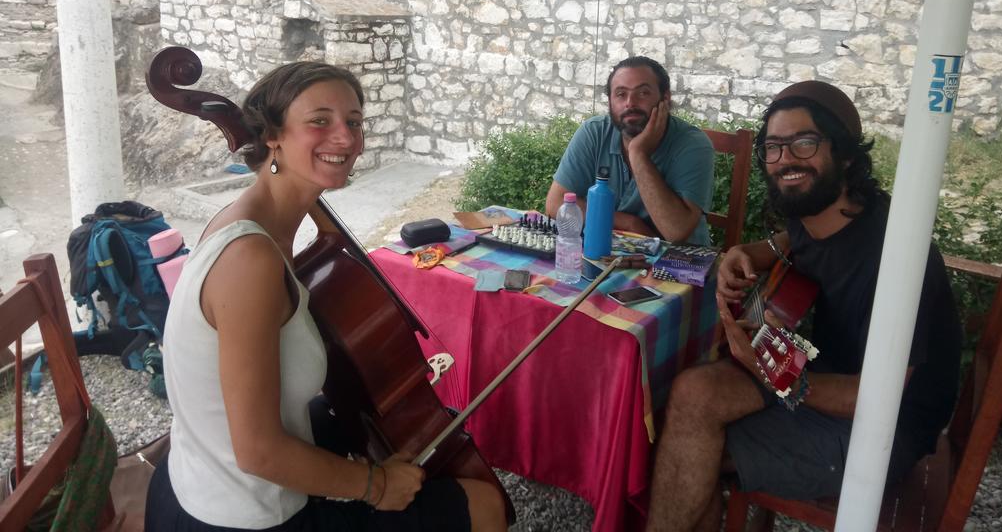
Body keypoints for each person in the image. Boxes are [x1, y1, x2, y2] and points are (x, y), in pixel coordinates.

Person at [145, 61, 506, 532]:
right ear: (273, 135)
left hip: (196, 481)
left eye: (353, 122)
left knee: (397, 433)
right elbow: (258, 450)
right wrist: (376, 484)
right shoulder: (250, 261)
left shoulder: (248, 222)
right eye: (320, 120)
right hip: (242, 517)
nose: (347, 137)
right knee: (484, 505)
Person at [646, 81, 961, 532]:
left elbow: (873, 402)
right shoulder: (823, 211)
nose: (785, 159)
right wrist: (742, 253)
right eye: (773, 148)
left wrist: (769, 370)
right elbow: (788, 243)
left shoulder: (895, 259)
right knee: (691, 394)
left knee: (688, 444)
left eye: (804, 143)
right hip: (818, 371)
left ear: (847, 155)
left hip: (879, 432)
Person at [545, 56, 715, 245]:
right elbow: (556, 205)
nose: (630, 103)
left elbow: (676, 232)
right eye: (620, 94)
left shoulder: (692, 144)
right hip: (609, 254)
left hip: (679, 265)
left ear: (665, 99)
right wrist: (629, 223)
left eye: (643, 93)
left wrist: (638, 154)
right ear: (610, 101)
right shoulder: (594, 132)